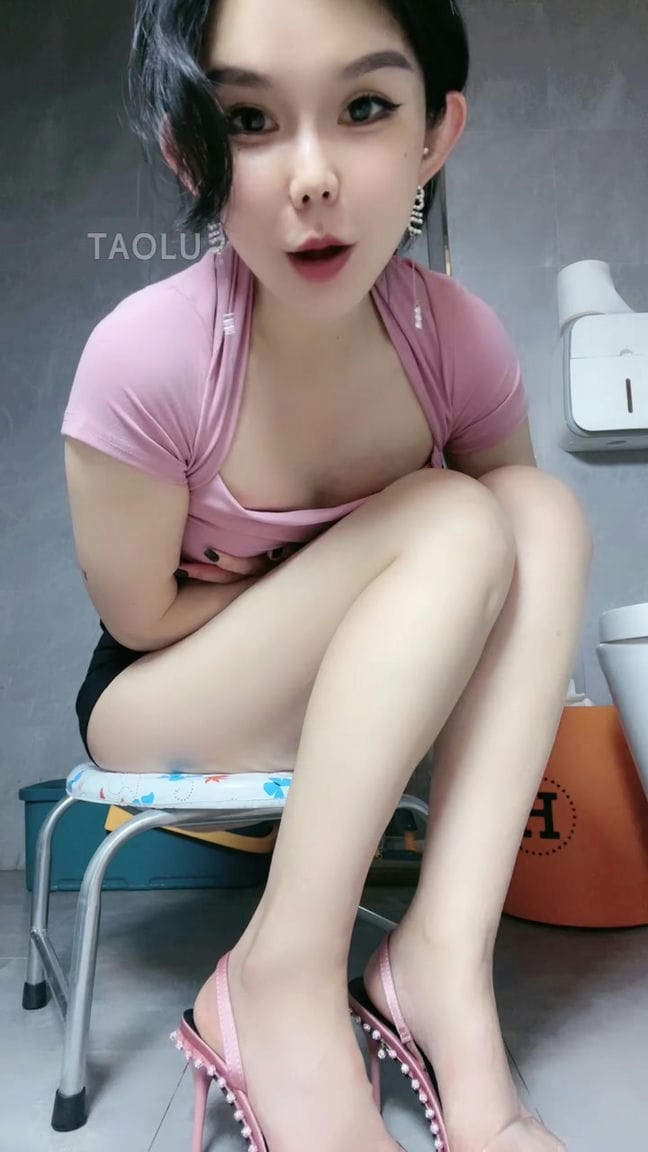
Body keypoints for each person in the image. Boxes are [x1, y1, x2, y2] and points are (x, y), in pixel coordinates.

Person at [60, 1, 592, 1150]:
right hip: (163, 695)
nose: (313, 177)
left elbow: (515, 571)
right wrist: (367, 569)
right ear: (191, 151)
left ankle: (442, 962)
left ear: (433, 134)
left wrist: (386, 580)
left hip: (372, 684)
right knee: (451, 519)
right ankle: (280, 982)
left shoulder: (454, 340)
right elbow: (142, 617)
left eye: (364, 107)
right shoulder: (149, 356)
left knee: (536, 512)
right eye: (250, 121)